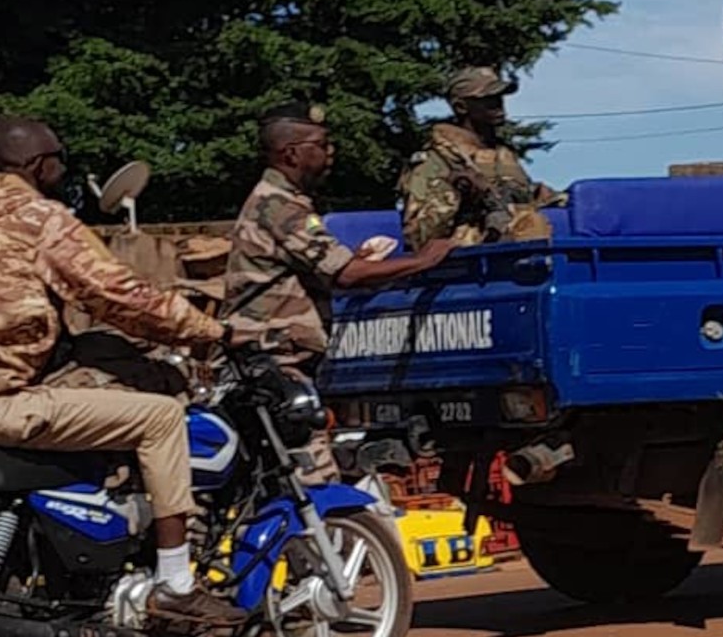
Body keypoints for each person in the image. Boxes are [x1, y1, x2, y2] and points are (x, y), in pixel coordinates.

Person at [0, 116, 245, 625]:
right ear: (40, 166)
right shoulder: (38, 217)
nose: (63, 170)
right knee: (158, 418)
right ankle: (175, 581)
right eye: (60, 160)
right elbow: (117, 295)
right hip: (5, 399)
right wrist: (209, 331)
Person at [224, 102, 453, 472]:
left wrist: (365, 263)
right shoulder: (278, 206)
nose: (331, 152)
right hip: (274, 365)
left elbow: (327, 269)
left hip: (281, 364)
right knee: (314, 483)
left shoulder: (287, 202)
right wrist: (422, 261)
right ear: (292, 153)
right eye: (322, 144)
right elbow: (344, 274)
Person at [397, 66, 560, 251]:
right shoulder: (436, 161)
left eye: (499, 97)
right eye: (487, 100)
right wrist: (458, 194)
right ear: (461, 107)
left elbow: (523, 196)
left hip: (522, 253)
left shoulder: (502, 155)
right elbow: (419, 238)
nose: (498, 104)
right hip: (469, 263)